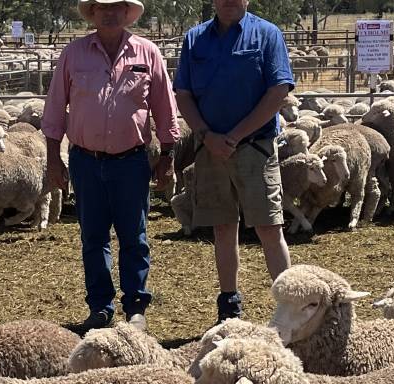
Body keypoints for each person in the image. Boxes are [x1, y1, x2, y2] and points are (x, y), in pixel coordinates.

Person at [42, 0, 178, 332]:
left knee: (134, 235)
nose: (109, 12)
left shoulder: (146, 53)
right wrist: (52, 158)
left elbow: (164, 107)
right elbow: (56, 106)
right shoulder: (73, 54)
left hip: (131, 161)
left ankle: (135, 306)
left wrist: (167, 157)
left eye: (116, 6)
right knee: (93, 237)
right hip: (86, 160)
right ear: (92, 13)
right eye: (102, 7)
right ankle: (101, 308)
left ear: (126, 12)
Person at [173, 0, 294, 323]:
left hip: (254, 147)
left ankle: (292, 304)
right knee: (223, 225)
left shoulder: (267, 34)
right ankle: (229, 303)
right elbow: (183, 92)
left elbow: (279, 89)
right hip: (210, 149)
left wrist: (236, 135)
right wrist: (205, 134)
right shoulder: (195, 38)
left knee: (269, 226)